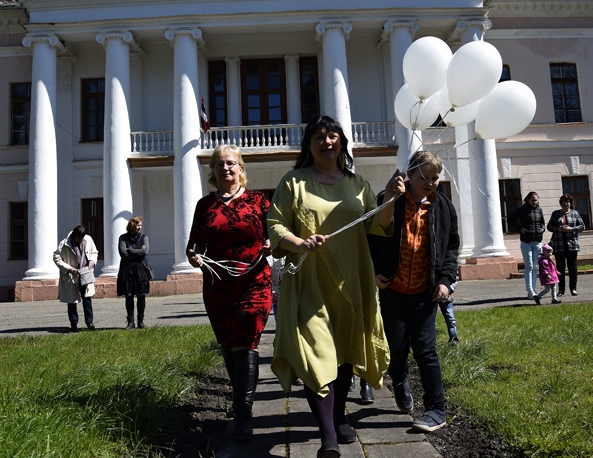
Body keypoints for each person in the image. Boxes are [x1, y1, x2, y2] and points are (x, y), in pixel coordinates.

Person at [267, 115, 404, 458]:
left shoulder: (357, 183)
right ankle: (327, 435)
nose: (326, 142)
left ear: (341, 141)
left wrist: (391, 199)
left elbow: (377, 225)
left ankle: (339, 413)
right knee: (316, 353)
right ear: (309, 145)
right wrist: (299, 242)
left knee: (343, 353)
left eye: (332, 136)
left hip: (352, 279)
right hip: (310, 282)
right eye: (318, 137)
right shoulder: (293, 182)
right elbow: (275, 226)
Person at [368, 150, 460, 434]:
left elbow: (451, 247)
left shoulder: (443, 206)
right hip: (393, 289)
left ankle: (436, 408)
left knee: (426, 349)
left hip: (425, 292)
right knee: (396, 347)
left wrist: (445, 280)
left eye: (436, 178)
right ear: (410, 175)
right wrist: (373, 271)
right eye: (425, 177)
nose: (432, 182)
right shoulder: (391, 199)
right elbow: (371, 235)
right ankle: (399, 380)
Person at [186, 144, 272, 441]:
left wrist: (273, 242)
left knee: (246, 341)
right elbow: (193, 245)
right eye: (220, 164)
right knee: (229, 343)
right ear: (213, 170)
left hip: (254, 281)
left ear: (241, 168)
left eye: (231, 163)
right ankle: (239, 401)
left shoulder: (259, 201)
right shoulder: (204, 205)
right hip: (218, 286)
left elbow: (276, 232)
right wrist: (194, 257)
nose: (226, 168)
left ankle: (244, 415)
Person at [53, 226, 98, 332]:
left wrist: (92, 261)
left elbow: (94, 252)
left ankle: (89, 322)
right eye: (79, 238)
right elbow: (56, 257)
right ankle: (74, 323)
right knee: (72, 300)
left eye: (82, 238)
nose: (81, 240)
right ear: (74, 236)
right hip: (71, 274)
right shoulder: (64, 243)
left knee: (87, 299)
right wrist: (68, 268)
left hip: (85, 272)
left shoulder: (88, 239)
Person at [508, 191, 546, 299]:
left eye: (536, 200)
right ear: (528, 200)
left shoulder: (539, 210)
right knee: (529, 266)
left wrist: (542, 229)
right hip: (526, 242)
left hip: (537, 241)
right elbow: (510, 220)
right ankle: (530, 291)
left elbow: (542, 222)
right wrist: (521, 229)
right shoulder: (523, 209)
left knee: (535, 267)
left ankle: (533, 290)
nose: (535, 202)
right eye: (533, 200)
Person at [547, 193, 585, 297]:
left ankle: (573, 289)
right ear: (561, 203)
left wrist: (572, 229)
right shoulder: (555, 214)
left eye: (568, 202)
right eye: (564, 202)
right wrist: (558, 229)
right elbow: (549, 226)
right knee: (560, 269)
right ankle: (561, 290)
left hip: (572, 245)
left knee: (572, 268)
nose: (566, 204)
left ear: (570, 203)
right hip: (559, 245)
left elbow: (582, 226)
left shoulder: (575, 213)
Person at [117, 216, 151, 329]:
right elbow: (123, 253)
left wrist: (131, 250)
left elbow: (145, 251)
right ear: (132, 225)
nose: (139, 227)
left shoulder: (144, 237)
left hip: (141, 269)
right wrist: (138, 251)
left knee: (141, 296)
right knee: (129, 295)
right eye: (137, 225)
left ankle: (140, 321)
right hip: (127, 270)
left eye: (140, 225)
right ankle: (130, 322)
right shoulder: (123, 238)